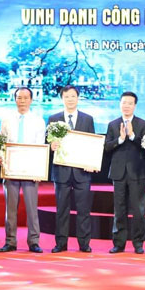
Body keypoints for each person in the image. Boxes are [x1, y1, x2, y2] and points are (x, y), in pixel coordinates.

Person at [48, 85, 96, 253]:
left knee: (84, 210)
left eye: (73, 96)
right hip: (61, 171)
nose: (70, 99)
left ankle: (84, 243)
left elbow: (92, 144)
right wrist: (51, 145)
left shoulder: (87, 119)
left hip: (82, 172)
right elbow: (47, 141)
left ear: (77, 98)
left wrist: (91, 163)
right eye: (66, 96)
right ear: (62, 99)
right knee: (62, 209)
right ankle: (61, 243)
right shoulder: (53, 119)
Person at [0, 87, 46, 253]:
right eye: (19, 97)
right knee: (10, 209)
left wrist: (38, 170)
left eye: (25, 98)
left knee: (32, 208)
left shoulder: (38, 121)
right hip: (11, 169)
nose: (22, 101)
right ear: (15, 99)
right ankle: (10, 241)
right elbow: (2, 143)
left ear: (31, 100)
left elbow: (40, 147)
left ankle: (34, 241)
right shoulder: (7, 120)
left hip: (30, 170)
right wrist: (0, 157)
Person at [104, 91, 145, 254]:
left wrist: (131, 136)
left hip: (138, 172)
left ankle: (138, 243)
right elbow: (107, 147)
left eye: (130, 103)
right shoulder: (113, 124)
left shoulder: (143, 124)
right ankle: (119, 243)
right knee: (119, 209)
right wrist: (120, 139)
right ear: (120, 104)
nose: (126, 106)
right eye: (124, 102)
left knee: (138, 210)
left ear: (135, 106)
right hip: (118, 172)